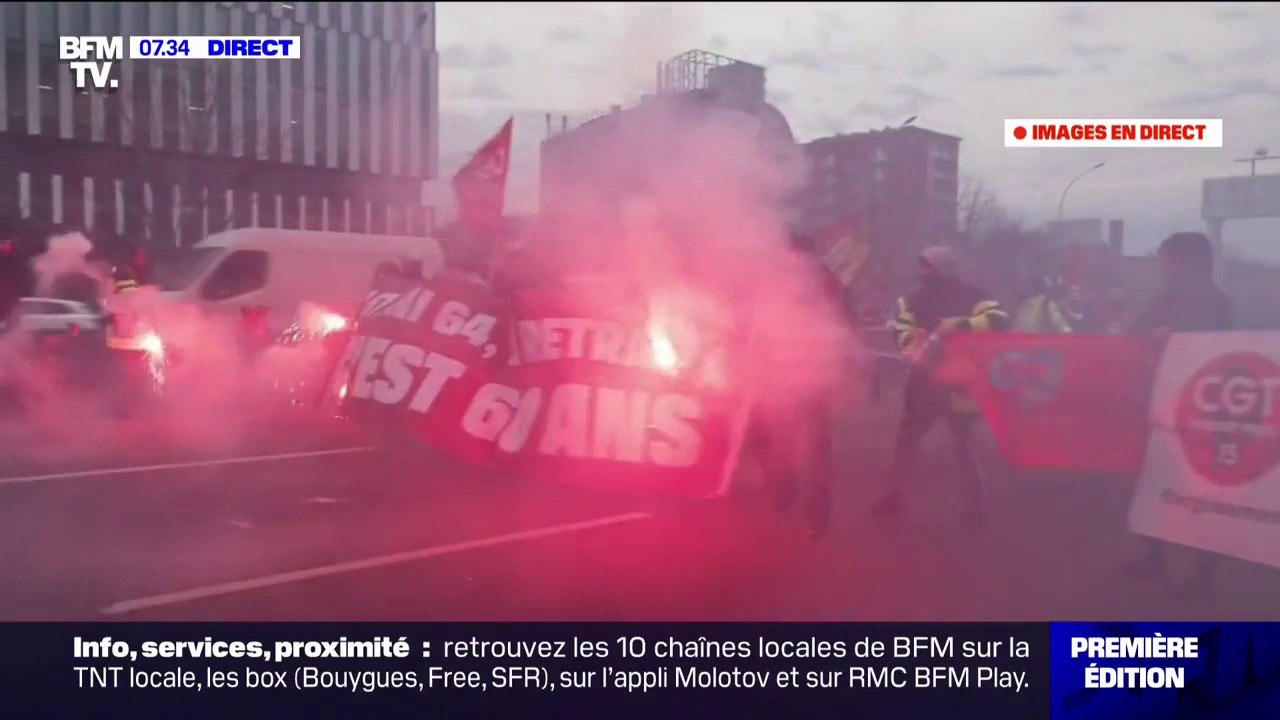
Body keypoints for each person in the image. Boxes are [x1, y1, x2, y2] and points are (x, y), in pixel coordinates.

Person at [1120, 231, 1232, 604]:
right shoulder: (1172, 296)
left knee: (1200, 491)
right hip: (1168, 403)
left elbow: (1216, 348)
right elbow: (1135, 327)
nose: (1162, 265)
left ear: (1183, 261)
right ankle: (1155, 556)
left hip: (1198, 408)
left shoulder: (1208, 300)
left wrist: (1172, 336)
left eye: (1167, 258)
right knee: (1155, 481)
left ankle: (1204, 576)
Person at [869, 245, 1009, 526]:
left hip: (961, 383)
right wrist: (914, 345)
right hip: (924, 383)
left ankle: (973, 509)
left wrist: (958, 325)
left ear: (944, 269)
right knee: (906, 443)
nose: (923, 273)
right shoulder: (912, 300)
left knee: (964, 447)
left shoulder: (974, 297)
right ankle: (892, 498)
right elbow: (902, 333)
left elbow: (999, 321)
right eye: (922, 267)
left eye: (928, 267)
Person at [747, 232, 861, 538]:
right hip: (818, 374)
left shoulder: (775, 280)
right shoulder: (831, 281)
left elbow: (758, 329)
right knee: (818, 447)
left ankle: (785, 492)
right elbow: (849, 328)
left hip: (782, 375)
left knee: (775, 438)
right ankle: (818, 514)